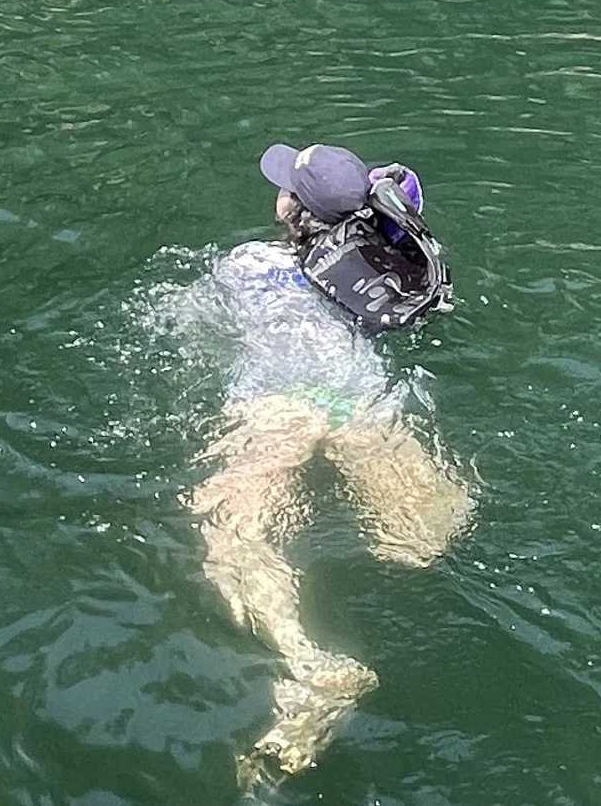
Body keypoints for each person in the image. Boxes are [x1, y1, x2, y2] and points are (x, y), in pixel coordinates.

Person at [184, 142, 469, 785]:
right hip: (359, 398)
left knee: (231, 534)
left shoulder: (248, 262)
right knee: (420, 539)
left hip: (281, 405)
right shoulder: (383, 268)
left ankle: (310, 666)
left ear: (292, 207)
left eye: (285, 184)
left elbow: (195, 325)